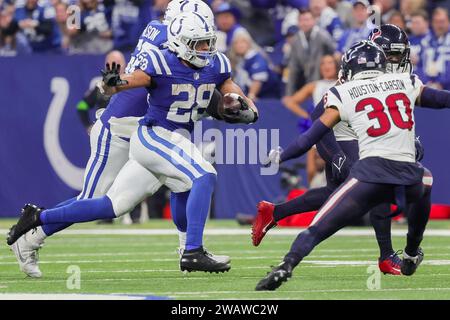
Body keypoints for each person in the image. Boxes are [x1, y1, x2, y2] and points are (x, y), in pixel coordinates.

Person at [7, 11, 259, 275]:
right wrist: (111, 85)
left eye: (209, 40)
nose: (207, 48)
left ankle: (37, 218)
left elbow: (221, 90)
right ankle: (192, 251)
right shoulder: (162, 56)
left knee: (122, 203)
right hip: (137, 131)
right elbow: (132, 81)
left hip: (164, 135)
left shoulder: (214, 63)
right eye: (200, 42)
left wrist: (242, 106)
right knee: (199, 176)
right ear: (180, 35)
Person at [255, 39, 450, 291]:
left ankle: (287, 264)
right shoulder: (406, 81)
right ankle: (411, 253)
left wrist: (283, 155)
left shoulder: (344, 91)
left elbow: (309, 137)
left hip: (370, 175)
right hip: (408, 175)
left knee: (317, 228)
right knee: (427, 181)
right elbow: (442, 99)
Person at [285, 9, 336, 96]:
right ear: (298, 22)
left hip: (324, 82)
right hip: (305, 81)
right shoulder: (296, 40)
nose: (304, 23)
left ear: (314, 21)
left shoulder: (323, 36)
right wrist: (289, 94)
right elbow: (293, 68)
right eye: (301, 20)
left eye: (307, 20)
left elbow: (334, 56)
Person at [77, 51, 125, 134]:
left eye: (117, 64)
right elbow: (81, 106)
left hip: (127, 133)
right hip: (106, 134)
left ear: (125, 65)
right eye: (110, 64)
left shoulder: (135, 86)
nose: (114, 68)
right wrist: (88, 126)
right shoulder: (100, 88)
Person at [229, 31, 280, 100]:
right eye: (236, 43)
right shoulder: (240, 60)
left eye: (243, 42)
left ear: (249, 44)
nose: (239, 45)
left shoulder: (256, 57)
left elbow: (257, 80)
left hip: (267, 98)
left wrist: (251, 95)